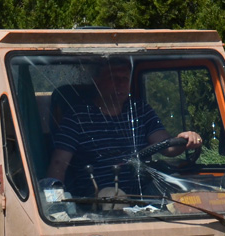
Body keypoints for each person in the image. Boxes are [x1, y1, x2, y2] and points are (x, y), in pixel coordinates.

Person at [43, 60, 201, 198]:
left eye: (124, 79)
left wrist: (185, 138)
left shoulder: (140, 110)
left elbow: (167, 146)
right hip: (96, 199)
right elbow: (59, 164)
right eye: (113, 78)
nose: (120, 84)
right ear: (97, 81)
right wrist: (55, 201)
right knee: (111, 195)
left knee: (182, 190)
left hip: (141, 195)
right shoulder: (77, 116)